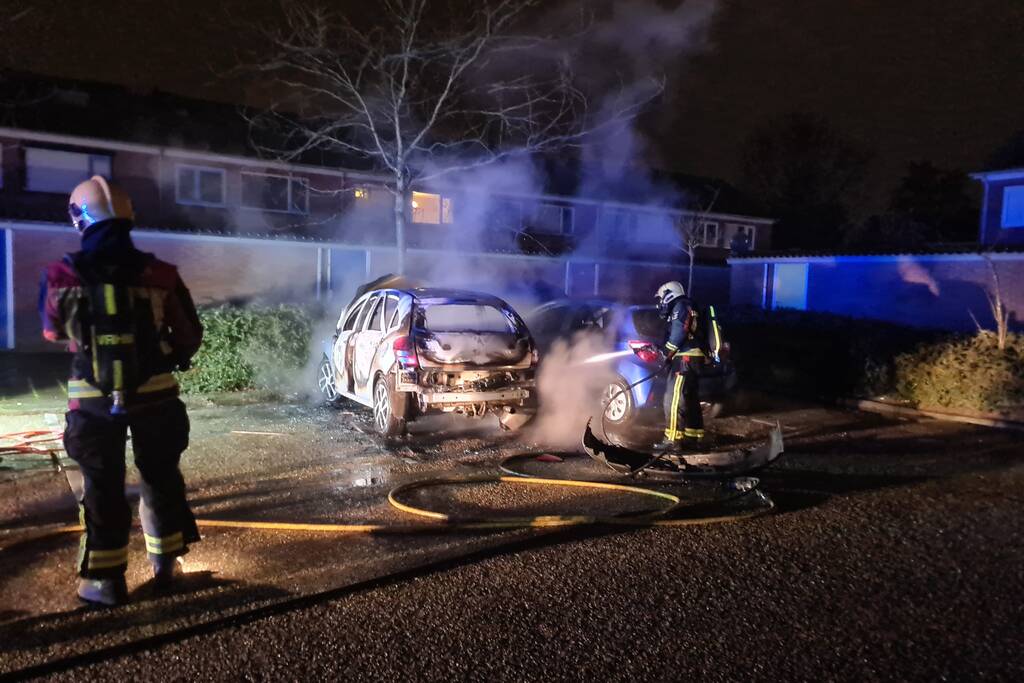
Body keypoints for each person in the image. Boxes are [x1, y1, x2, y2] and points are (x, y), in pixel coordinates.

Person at [40, 176, 203, 606]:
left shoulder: (61, 274)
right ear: (129, 217)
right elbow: (189, 334)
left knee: (100, 487)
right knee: (161, 478)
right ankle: (167, 566)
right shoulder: (162, 274)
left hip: (91, 402)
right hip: (157, 397)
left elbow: (51, 331)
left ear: (79, 219)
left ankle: (105, 583)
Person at [653, 281, 705, 453]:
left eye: (661, 298)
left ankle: (672, 439)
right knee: (690, 398)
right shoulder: (689, 305)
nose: (660, 302)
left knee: (673, 398)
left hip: (684, 358)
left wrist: (665, 354)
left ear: (669, 294)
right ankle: (693, 436)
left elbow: (678, 333)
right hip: (692, 357)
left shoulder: (679, 307)